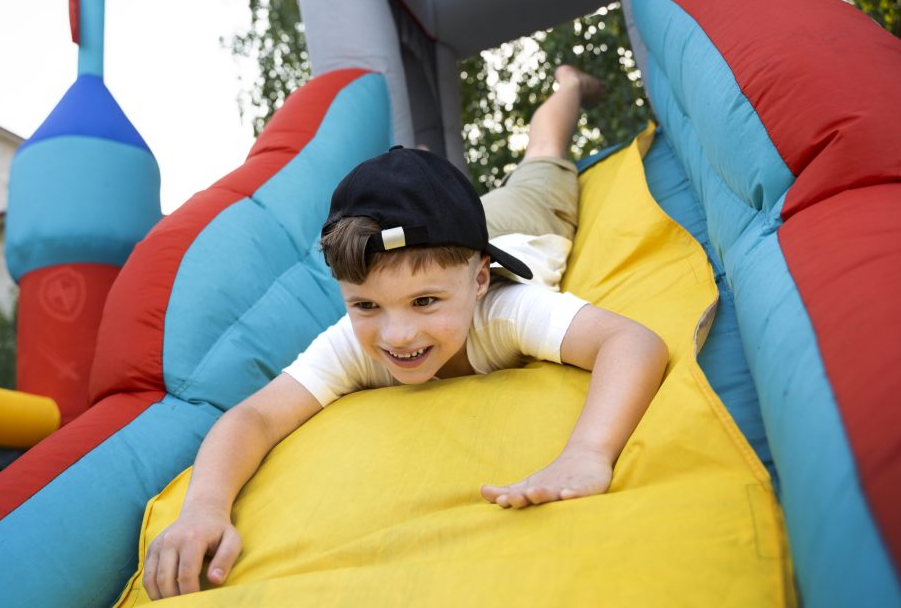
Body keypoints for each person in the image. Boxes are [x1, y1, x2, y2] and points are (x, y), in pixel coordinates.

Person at [142, 66, 668, 600]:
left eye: (425, 302)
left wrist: (588, 451)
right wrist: (205, 505)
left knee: (541, 153)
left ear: (479, 280)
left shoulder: (504, 311)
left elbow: (632, 342)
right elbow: (253, 416)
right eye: (366, 304)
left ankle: (569, 87)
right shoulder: (356, 342)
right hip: (451, 239)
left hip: (524, 217)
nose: (397, 334)